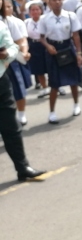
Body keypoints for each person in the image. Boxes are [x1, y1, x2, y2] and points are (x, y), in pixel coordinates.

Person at [0, 19, 46, 182]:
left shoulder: (0, 25)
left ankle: (23, 167)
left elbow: (12, 46)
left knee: (11, 128)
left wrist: (7, 54)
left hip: (1, 82)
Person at [38, 0, 82, 124]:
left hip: (68, 47)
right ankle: (52, 112)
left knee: (73, 80)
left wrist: (79, 53)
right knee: (54, 83)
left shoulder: (70, 16)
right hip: (53, 49)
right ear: (49, 2)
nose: (57, 2)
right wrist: (47, 45)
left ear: (62, 1)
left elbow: (75, 35)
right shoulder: (45, 18)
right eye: (54, 0)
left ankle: (76, 105)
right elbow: (41, 37)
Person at [1, 0, 31, 125]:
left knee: (18, 89)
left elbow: (21, 41)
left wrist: (24, 52)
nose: (7, 9)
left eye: (9, 6)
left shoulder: (13, 22)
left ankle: (21, 113)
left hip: (12, 59)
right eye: (5, 6)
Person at [25, 1, 49, 97]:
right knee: (39, 69)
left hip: (45, 45)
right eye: (32, 10)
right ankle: (45, 88)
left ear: (41, 11)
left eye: (37, 9)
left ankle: (57, 86)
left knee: (50, 66)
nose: (35, 12)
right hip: (34, 46)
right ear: (29, 12)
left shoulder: (45, 20)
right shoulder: (26, 22)